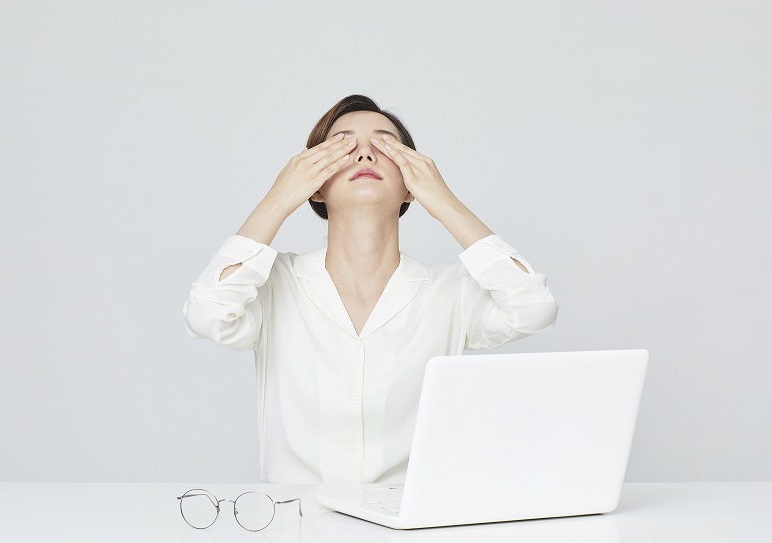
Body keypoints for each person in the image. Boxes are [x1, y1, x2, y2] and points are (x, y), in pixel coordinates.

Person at [183, 94, 558, 484]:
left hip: (407, 517)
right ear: (315, 186)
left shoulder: (449, 293)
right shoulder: (274, 285)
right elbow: (207, 314)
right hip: (297, 516)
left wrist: (445, 202)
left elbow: (534, 308)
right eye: (342, 145)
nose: (364, 155)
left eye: (385, 145)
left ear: (411, 185)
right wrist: (278, 199)